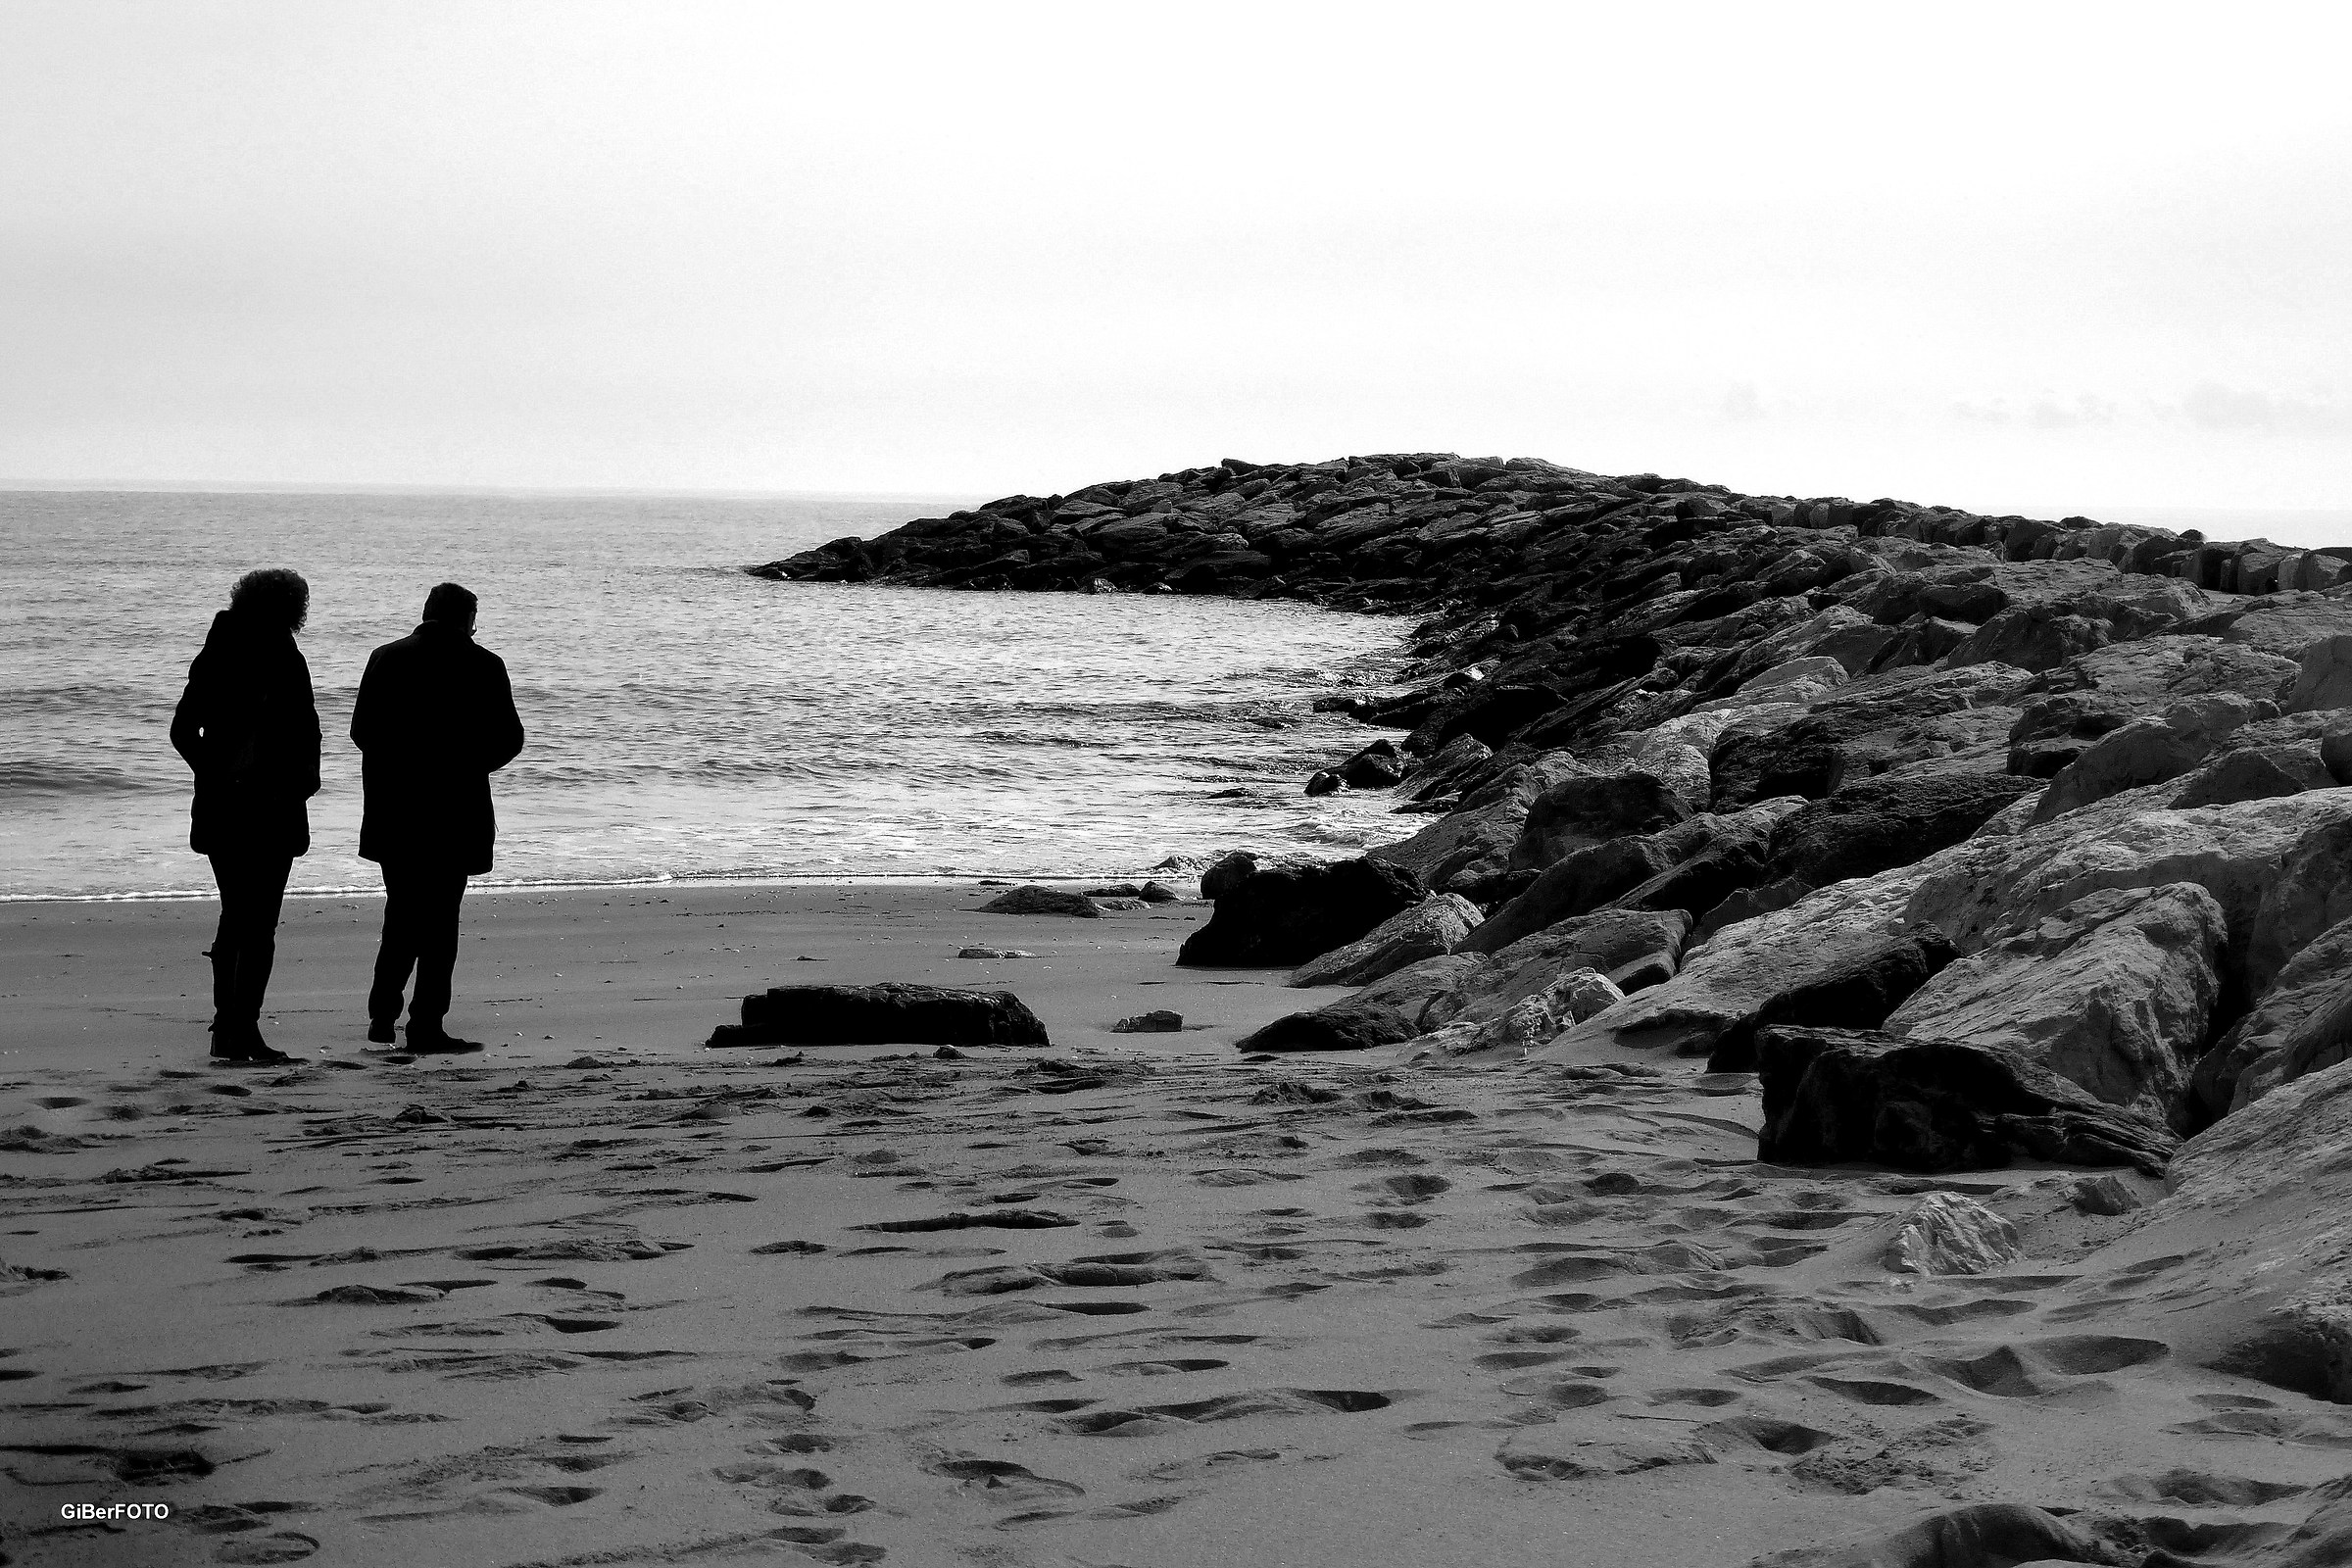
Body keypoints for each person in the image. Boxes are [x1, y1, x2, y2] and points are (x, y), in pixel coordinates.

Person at [353, 582, 525, 1053]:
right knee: (441, 922)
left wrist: (401, 766)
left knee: (401, 914)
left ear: (427, 613)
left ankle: (382, 1015)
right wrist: (466, 765)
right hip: (455, 810)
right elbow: (510, 739)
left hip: (396, 811)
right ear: (467, 619)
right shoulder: (485, 665)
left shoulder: (385, 657)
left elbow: (361, 731)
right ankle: (426, 1023)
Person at [170, 567, 320, 1064]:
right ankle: (237, 1028)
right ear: (287, 606)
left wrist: (302, 781)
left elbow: (306, 728)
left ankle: (232, 1028)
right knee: (252, 921)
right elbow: (183, 731)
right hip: (249, 805)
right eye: (298, 602)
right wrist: (223, 776)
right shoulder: (243, 652)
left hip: (258, 804)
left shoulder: (235, 649)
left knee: (243, 918)